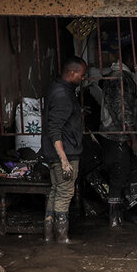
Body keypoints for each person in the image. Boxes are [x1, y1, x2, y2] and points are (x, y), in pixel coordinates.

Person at [41, 56, 87, 244]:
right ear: (71, 73)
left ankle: (48, 236)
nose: (83, 79)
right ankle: (62, 238)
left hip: (56, 152)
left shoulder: (58, 89)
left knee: (55, 191)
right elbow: (55, 129)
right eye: (81, 75)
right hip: (65, 153)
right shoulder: (62, 95)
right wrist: (64, 160)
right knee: (64, 193)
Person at [99, 56, 137, 228]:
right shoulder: (121, 79)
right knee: (118, 178)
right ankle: (114, 221)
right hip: (117, 137)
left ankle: (117, 218)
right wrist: (134, 139)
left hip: (110, 136)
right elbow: (124, 112)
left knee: (117, 178)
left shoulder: (114, 77)